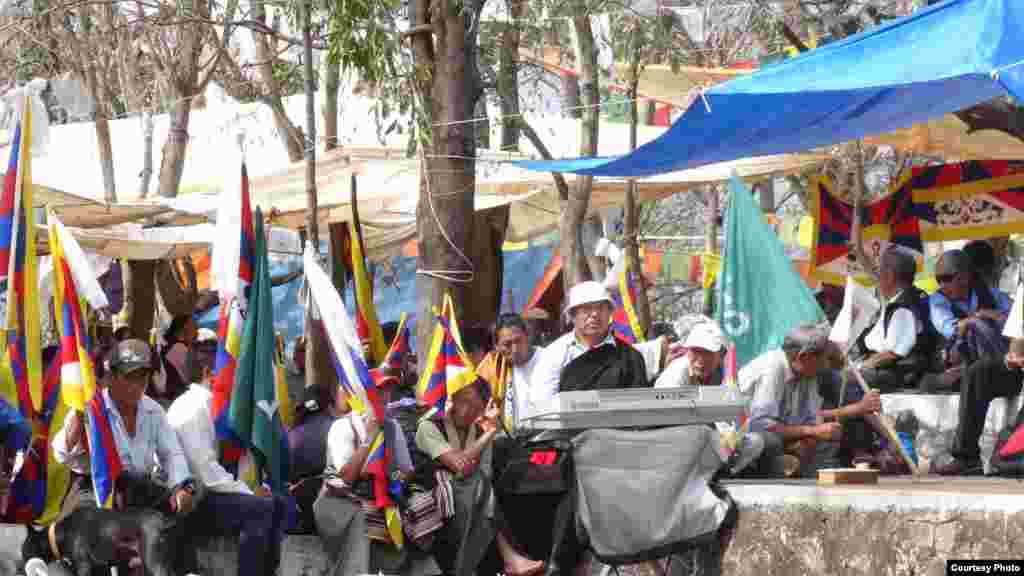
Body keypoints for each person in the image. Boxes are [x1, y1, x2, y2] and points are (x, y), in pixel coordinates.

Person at [166, 365, 288, 576]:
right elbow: (205, 472)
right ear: (209, 374)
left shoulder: (212, 406)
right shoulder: (194, 407)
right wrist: (247, 492)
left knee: (277, 503)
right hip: (186, 498)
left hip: (202, 491)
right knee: (259, 508)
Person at [415, 379, 544, 576]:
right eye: (463, 401)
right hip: (436, 495)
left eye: (475, 407)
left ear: (482, 411)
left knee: (481, 487)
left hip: (471, 495)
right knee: (476, 483)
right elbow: (459, 465)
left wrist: (486, 435)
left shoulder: (478, 432)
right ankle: (510, 557)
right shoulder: (429, 426)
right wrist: (490, 433)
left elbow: (486, 474)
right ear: (454, 398)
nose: (467, 411)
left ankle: (495, 562)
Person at [742, 325, 881, 477]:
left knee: (828, 436)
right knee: (771, 441)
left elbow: (812, 418)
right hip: (749, 440)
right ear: (803, 357)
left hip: (783, 434)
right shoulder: (773, 368)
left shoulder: (806, 372)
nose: (826, 365)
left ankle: (807, 477)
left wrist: (814, 435)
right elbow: (761, 426)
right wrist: (813, 431)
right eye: (824, 359)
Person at [315, 372, 414, 576]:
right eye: (378, 390)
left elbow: (407, 470)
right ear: (362, 395)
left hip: (381, 497)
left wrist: (394, 481)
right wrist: (369, 439)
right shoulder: (342, 426)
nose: (384, 396)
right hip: (338, 501)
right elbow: (346, 478)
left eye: (387, 390)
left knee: (416, 509)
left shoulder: (392, 427)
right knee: (364, 517)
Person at [530, 281, 649, 415]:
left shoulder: (631, 357)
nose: (594, 314)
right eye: (586, 309)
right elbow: (542, 405)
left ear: (610, 312)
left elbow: (639, 409)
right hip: (568, 433)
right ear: (572, 315)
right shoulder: (553, 355)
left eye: (600, 308)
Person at [853, 247, 938, 392]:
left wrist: (859, 368)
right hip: (887, 370)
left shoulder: (904, 307)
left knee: (843, 379)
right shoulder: (900, 300)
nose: (876, 276)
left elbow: (892, 354)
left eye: (879, 270)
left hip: (896, 375)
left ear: (889, 275)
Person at [929, 248, 1010, 369]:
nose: (941, 285)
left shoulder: (991, 293)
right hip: (956, 362)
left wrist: (994, 315)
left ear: (965, 277)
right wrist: (977, 317)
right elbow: (950, 330)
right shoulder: (937, 301)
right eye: (938, 280)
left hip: (996, 355)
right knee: (976, 325)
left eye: (946, 279)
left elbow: (1015, 322)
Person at [488, 314, 542, 433]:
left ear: (528, 336)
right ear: (497, 346)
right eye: (507, 344)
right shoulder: (494, 368)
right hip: (512, 442)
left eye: (518, 341)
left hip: (546, 441)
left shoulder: (548, 359)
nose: (515, 349)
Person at [654, 322, 725, 388]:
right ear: (687, 351)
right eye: (695, 351)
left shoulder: (723, 370)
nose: (701, 360)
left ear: (719, 355)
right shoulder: (675, 377)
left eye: (707, 353)